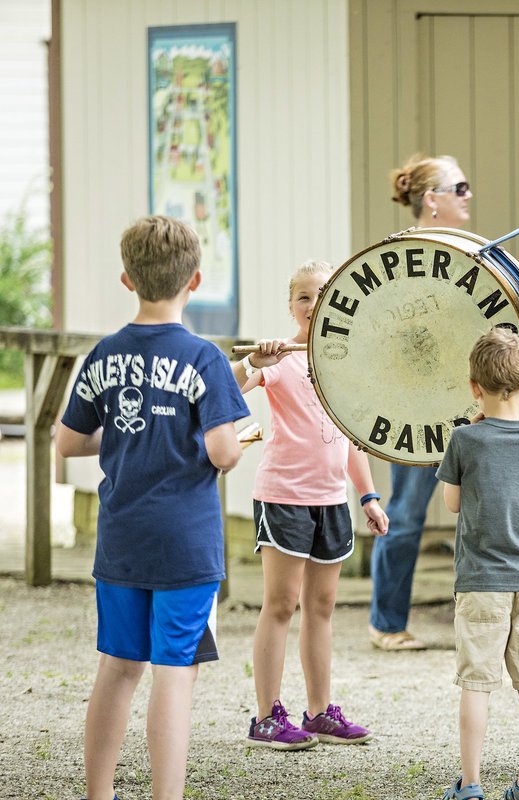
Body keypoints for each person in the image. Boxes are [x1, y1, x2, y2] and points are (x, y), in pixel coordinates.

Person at [57, 216, 249, 799]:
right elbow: (222, 453)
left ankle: (100, 793)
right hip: (185, 544)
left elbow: (68, 442)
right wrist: (235, 439)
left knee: (117, 667)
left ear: (127, 279)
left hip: (121, 537)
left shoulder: (104, 353)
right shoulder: (204, 358)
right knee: (175, 670)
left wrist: (124, 435)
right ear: (195, 281)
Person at [236, 260, 389, 749]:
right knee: (281, 604)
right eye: (304, 295)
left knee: (320, 607)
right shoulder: (280, 360)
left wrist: (368, 496)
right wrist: (254, 363)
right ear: (291, 306)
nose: (314, 302)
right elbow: (227, 388)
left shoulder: (346, 364)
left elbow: (351, 440)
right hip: (284, 497)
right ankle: (266, 717)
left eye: (324, 293)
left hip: (331, 501)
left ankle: (320, 712)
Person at [436, 328, 519, 800]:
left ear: (475, 387)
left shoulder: (464, 440)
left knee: (477, 684)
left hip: (479, 580)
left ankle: (470, 784)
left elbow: (452, 504)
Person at [370, 153, 474, 652]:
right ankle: (386, 624)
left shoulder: (472, 253)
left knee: (478, 512)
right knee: (407, 514)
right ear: (432, 199)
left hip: (466, 403)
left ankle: (479, 622)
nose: (469, 196)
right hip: (415, 405)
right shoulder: (400, 256)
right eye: (460, 188)